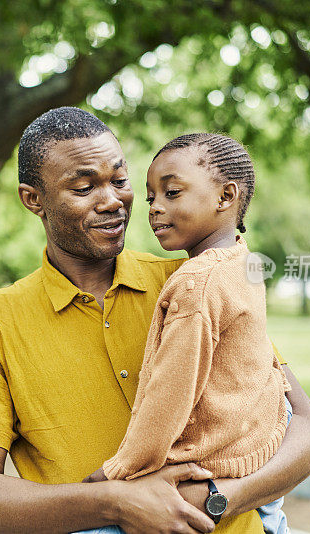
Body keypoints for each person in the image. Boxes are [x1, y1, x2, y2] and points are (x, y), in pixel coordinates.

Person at [0, 107, 310, 533]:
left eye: (120, 181)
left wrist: (211, 499)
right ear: (34, 200)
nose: (112, 200)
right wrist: (114, 502)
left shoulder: (191, 284)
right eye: (85, 186)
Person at [76, 133, 293, 534]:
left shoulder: (197, 282)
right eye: (151, 196)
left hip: (213, 458)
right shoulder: (241, 262)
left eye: (172, 192)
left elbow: (170, 393)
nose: (155, 208)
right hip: (256, 445)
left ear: (226, 196)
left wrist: (117, 472)